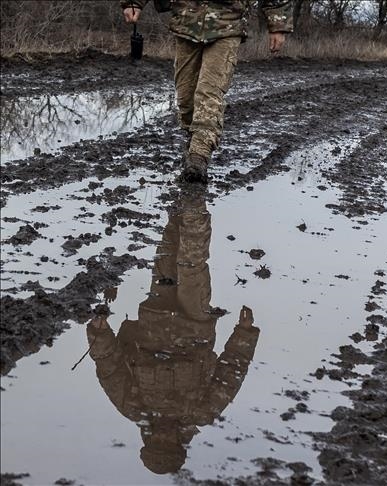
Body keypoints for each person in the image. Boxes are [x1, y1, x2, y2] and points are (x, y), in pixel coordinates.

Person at [87, 193, 260, 474]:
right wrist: (244, 333)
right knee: (192, 268)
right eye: (168, 444)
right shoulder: (202, 413)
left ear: (148, 441)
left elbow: (109, 368)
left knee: (167, 257)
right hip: (196, 325)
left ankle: (180, 207)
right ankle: (194, 209)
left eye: (157, 443)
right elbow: (232, 372)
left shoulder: (133, 407)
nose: (163, 437)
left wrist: (100, 334)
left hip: (155, 316)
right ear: (179, 444)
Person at [121, 0, 292, 183]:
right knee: (186, 99)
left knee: (209, 93)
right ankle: (192, 141)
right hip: (186, 22)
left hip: (227, 24)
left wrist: (278, 25)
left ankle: (198, 156)